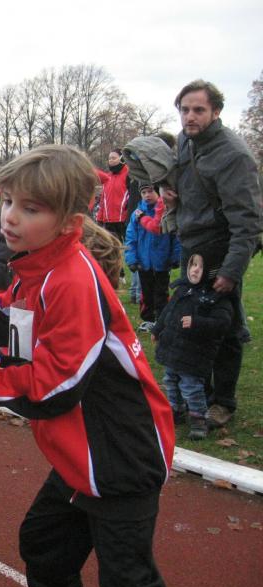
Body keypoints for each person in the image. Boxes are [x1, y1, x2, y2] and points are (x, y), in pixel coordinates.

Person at [0, 145, 177, 587]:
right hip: (81, 453)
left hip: (119, 456)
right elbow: (6, 321)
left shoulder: (70, 281)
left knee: (129, 586)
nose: (10, 217)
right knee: (45, 548)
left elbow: (56, 388)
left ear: (69, 223)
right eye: (7, 201)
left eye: (30, 209)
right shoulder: (37, 269)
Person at [163, 79, 263, 429]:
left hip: (222, 247)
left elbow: (247, 221)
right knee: (190, 322)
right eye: (184, 109)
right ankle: (198, 395)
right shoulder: (184, 141)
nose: (189, 117)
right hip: (192, 245)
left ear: (216, 111)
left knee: (225, 326)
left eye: (198, 110)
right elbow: (184, 184)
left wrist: (231, 271)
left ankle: (223, 402)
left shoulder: (233, 154)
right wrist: (170, 194)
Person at [152, 249, 234, 440]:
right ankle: (175, 410)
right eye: (193, 264)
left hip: (194, 354)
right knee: (170, 381)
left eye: (201, 266)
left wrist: (196, 322)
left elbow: (222, 324)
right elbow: (168, 311)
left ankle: (198, 420)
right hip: (174, 350)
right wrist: (157, 329)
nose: (195, 270)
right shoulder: (183, 289)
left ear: (212, 271)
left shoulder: (216, 298)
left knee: (191, 387)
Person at [125, 183, 181, 332]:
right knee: (146, 293)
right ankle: (148, 319)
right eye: (143, 192)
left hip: (162, 261)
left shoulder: (166, 212)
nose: (147, 195)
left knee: (161, 292)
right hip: (144, 262)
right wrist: (131, 259)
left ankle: (161, 319)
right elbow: (130, 237)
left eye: (150, 191)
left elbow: (175, 236)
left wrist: (176, 256)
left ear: (158, 192)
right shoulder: (137, 214)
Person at [94, 148, 130, 244]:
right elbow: (103, 200)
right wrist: (99, 219)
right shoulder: (107, 177)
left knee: (126, 247)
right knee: (112, 248)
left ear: (122, 158)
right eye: (109, 158)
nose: (111, 160)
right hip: (108, 221)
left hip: (124, 221)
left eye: (114, 158)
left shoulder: (129, 175)